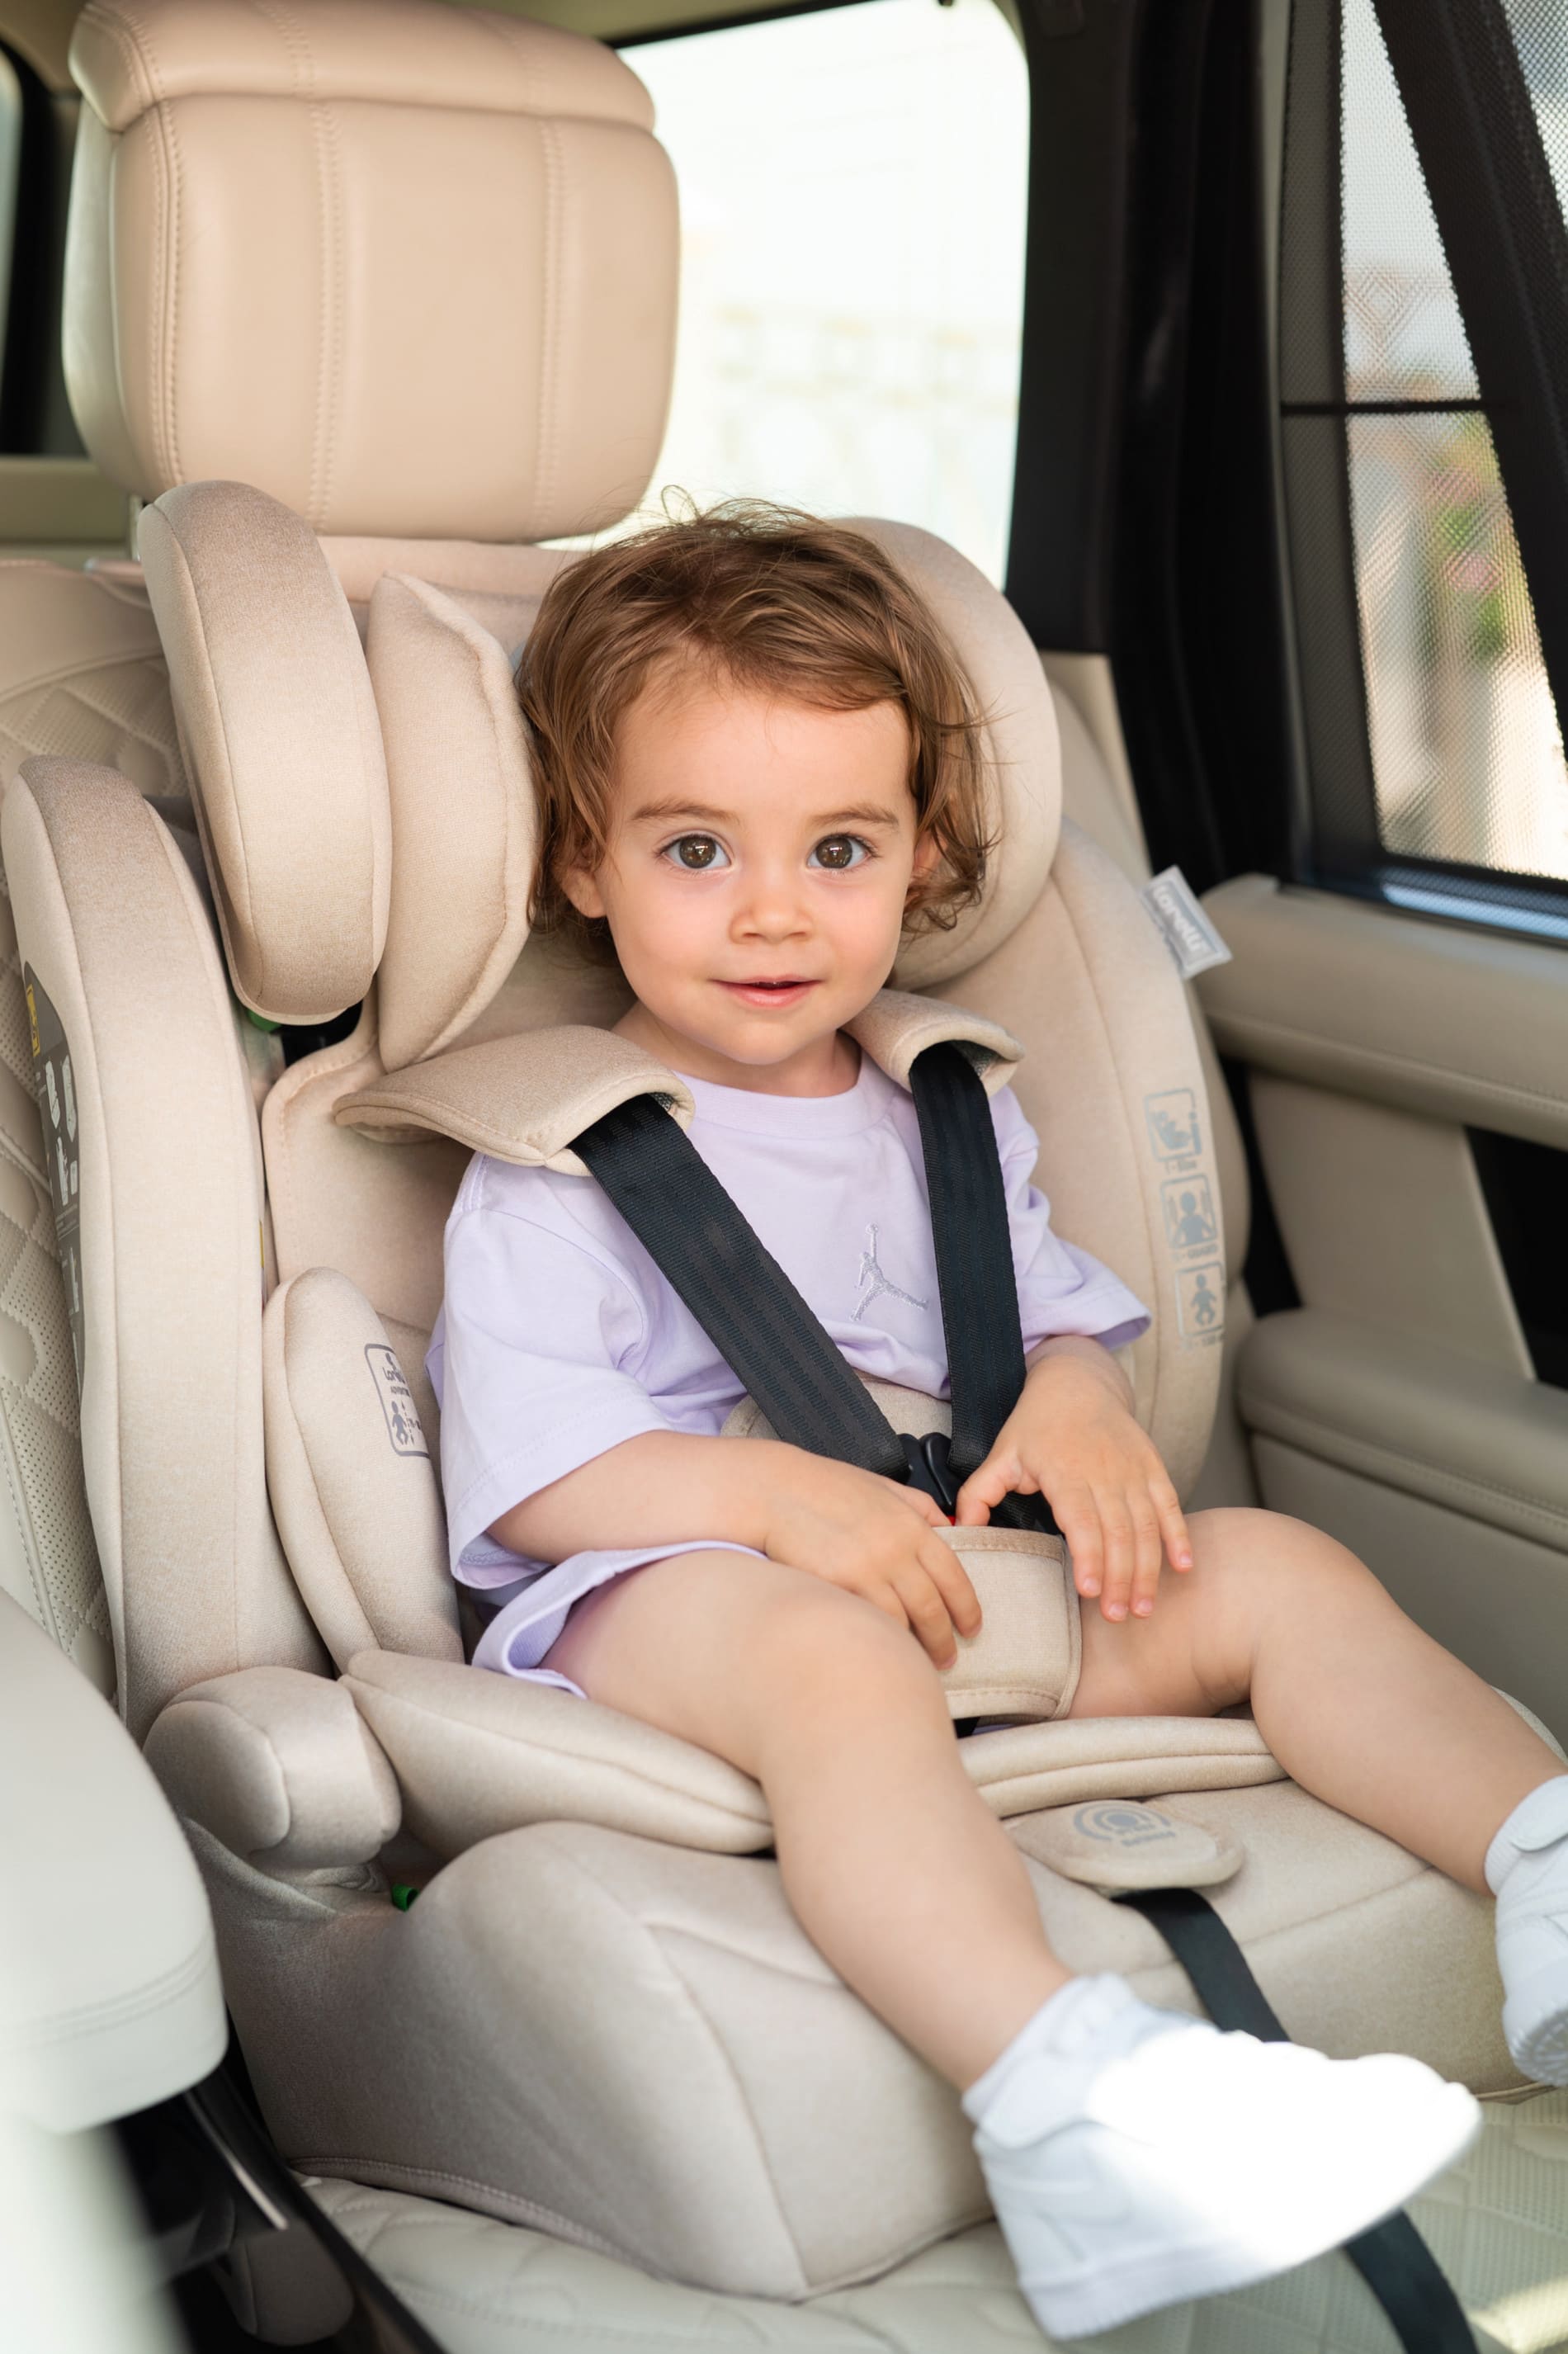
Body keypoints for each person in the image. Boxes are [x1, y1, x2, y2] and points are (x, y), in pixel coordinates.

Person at [428, 505, 1568, 2342]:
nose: (774, 910)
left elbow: (1051, 1322)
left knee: (1276, 1567)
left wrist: (1084, 1400)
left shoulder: (948, 1108)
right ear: (583, 858)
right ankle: (1069, 2106)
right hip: (680, 1598)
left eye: (839, 849)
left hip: (963, 1575)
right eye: (696, 849)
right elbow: (542, 1470)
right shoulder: (555, 1167)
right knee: (827, 1662)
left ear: (924, 855)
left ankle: (1543, 1860)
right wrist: (778, 1506)